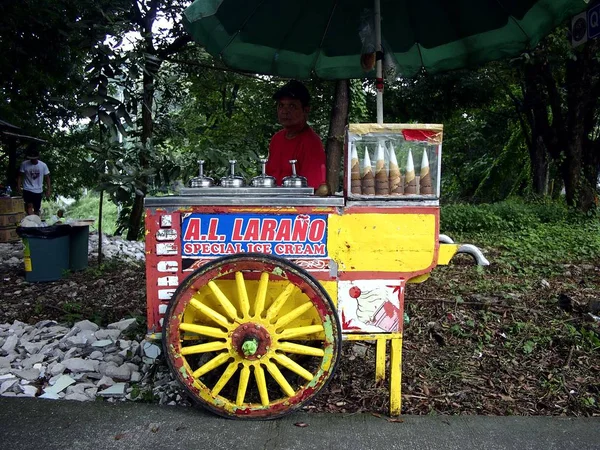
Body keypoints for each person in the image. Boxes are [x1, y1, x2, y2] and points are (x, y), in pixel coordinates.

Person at [266, 80, 328, 194]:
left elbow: (312, 189)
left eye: (292, 106)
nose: (284, 111)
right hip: (270, 202)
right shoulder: (276, 139)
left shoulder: (311, 143)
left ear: (306, 110)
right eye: (281, 105)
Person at [17, 145, 51, 215]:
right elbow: (20, 176)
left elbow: (47, 178)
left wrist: (48, 189)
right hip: (27, 189)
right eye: (31, 158)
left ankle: (35, 222)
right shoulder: (24, 164)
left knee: (37, 208)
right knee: (29, 206)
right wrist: (18, 186)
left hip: (38, 190)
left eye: (34, 158)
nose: (33, 160)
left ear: (38, 157)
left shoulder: (43, 165)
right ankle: (30, 220)